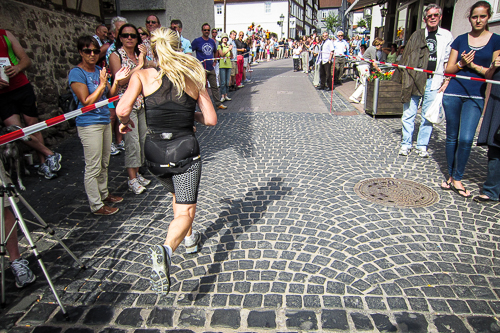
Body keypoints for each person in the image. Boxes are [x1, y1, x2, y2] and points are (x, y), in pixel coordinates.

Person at [116, 27, 217, 294]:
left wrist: (124, 125)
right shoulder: (194, 76)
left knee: (177, 192)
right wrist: (191, 116)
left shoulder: (143, 75)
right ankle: (166, 250)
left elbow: (122, 109)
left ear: (153, 50)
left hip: (154, 153)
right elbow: (210, 119)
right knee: (185, 210)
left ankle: (190, 238)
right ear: (179, 46)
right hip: (184, 150)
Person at [440, 1, 500, 198]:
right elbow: (448, 69)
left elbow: (491, 74)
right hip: (454, 92)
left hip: (475, 94)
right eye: (475, 16)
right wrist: (460, 63)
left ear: (488, 17)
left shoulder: (496, 40)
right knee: (452, 137)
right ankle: (451, 176)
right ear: (470, 18)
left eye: (482, 16)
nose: (478, 20)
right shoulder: (460, 39)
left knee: (466, 138)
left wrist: (472, 65)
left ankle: (458, 176)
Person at [69, 36, 128, 215]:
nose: (92, 54)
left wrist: (115, 81)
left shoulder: (97, 70)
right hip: (89, 123)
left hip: (103, 119)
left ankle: (104, 193)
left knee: (104, 161)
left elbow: (109, 96)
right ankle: (96, 204)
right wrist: (102, 84)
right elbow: (86, 101)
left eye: (95, 51)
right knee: (93, 165)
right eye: (88, 51)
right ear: (81, 52)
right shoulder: (77, 73)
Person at [392, 4, 453, 158]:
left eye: (436, 15)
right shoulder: (417, 35)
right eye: (430, 16)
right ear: (425, 19)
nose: (433, 18)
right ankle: (406, 143)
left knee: (427, 116)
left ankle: (421, 145)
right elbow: (406, 56)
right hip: (414, 79)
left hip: (434, 80)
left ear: (440, 17)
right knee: (408, 114)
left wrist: (446, 80)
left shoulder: (446, 36)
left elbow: (447, 60)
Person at [0, 29, 62, 179]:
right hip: (2, 95)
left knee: (33, 127)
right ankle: (50, 154)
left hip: (21, 87)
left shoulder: (5, 34)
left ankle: (43, 165)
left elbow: (26, 60)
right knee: (16, 132)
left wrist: (17, 68)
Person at [110, 24, 152, 195]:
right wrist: (139, 64)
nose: (129, 38)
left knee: (143, 139)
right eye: (125, 35)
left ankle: (138, 171)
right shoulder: (116, 55)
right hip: (127, 104)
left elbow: (150, 70)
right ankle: (131, 179)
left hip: (141, 102)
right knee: (132, 142)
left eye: (133, 36)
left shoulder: (137, 55)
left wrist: (144, 57)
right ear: (120, 38)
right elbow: (119, 80)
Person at [474, 53, 500, 203]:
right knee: (495, 146)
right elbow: (489, 77)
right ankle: (491, 190)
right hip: (497, 104)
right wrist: (494, 66)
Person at [106, 16, 128, 156]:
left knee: (120, 117)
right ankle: (110, 143)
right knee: (112, 116)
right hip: (113, 88)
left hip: (125, 90)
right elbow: (118, 76)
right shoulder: (112, 51)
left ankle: (120, 141)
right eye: (120, 30)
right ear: (114, 33)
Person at [192, 23, 227, 109]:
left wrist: (215, 60)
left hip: (211, 68)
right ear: (202, 31)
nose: (206, 31)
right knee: (202, 88)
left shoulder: (211, 41)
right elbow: (189, 50)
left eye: (208, 30)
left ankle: (218, 104)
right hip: (201, 69)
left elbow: (216, 51)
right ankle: (203, 106)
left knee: (214, 86)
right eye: (205, 30)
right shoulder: (197, 41)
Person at [349, 37, 384, 104]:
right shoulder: (373, 49)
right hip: (364, 66)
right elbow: (374, 62)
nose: (381, 46)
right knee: (365, 83)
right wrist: (379, 70)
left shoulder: (372, 49)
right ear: (378, 44)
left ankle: (356, 97)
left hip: (363, 66)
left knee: (364, 83)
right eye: (381, 45)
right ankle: (361, 99)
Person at [218, 33, 233, 103]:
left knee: (227, 82)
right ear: (221, 39)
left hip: (228, 64)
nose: (225, 39)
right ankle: (222, 95)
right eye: (224, 38)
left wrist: (230, 50)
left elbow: (232, 56)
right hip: (222, 65)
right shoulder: (220, 46)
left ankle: (226, 94)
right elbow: (221, 54)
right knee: (223, 81)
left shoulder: (228, 46)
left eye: (226, 38)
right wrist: (228, 49)